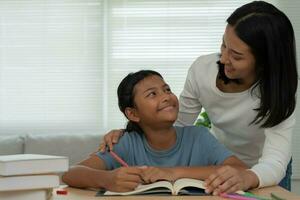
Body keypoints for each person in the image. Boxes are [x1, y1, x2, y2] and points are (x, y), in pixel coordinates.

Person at [98, 1, 298, 191]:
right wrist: (132, 131)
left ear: (265, 61)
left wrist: (246, 177)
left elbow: (274, 162)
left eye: (236, 56)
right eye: (223, 46)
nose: (224, 59)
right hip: (220, 163)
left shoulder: (278, 92)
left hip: (265, 170)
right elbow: (178, 124)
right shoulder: (203, 69)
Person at [62, 70, 250, 195]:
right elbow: (69, 173)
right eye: (153, 94)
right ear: (133, 113)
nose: (166, 96)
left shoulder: (198, 137)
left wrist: (172, 172)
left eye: (167, 89)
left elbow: (241, 169)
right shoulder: (126, 143)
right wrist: (107, 179)